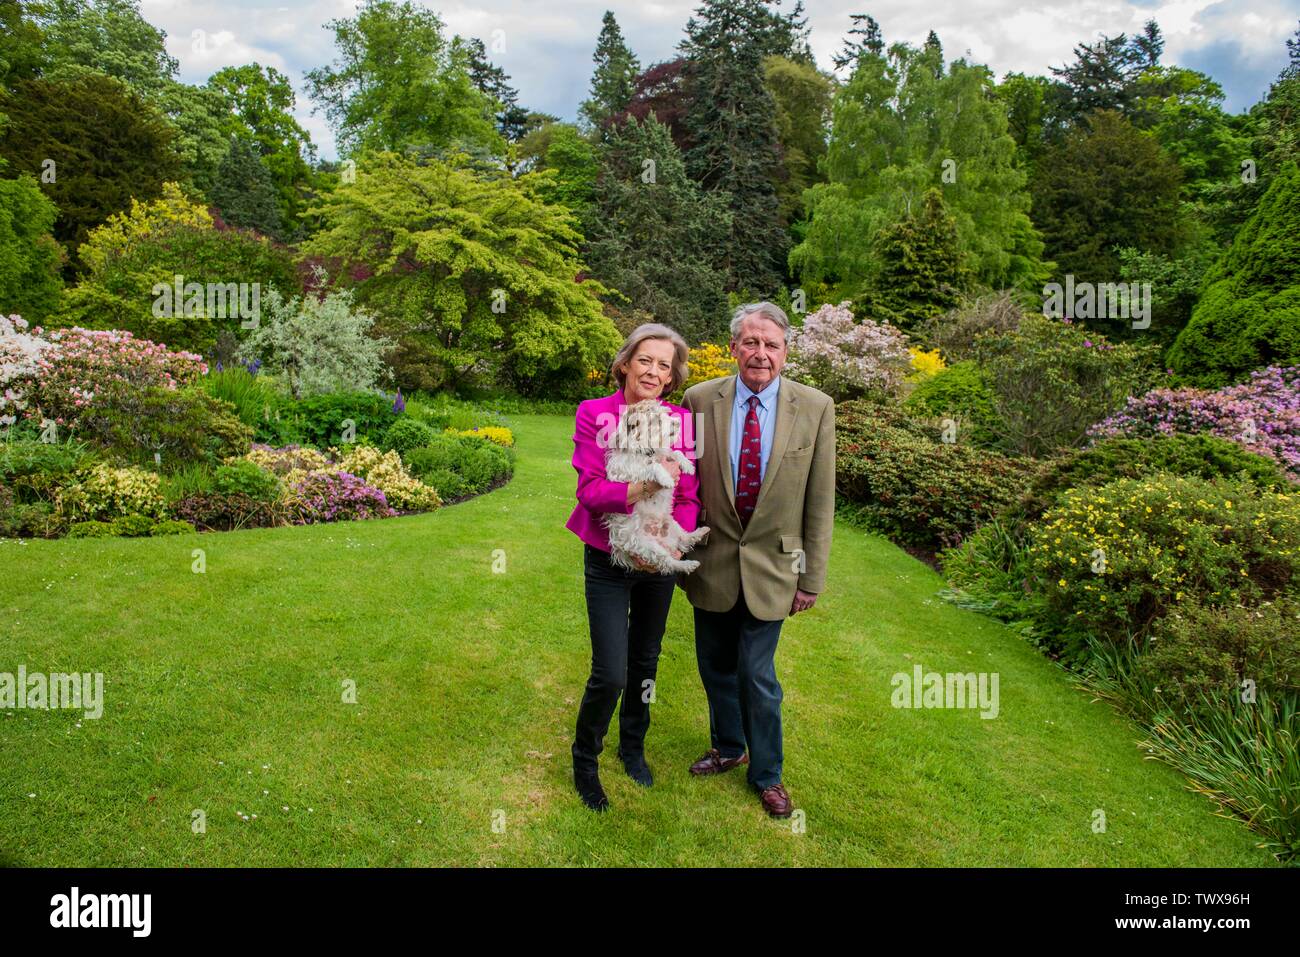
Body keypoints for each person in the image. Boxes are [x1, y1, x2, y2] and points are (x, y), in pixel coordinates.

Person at [678, 301, 835, 818]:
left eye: (770, 344)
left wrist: (810, 577)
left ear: (786, 352)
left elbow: (820, 500)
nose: (760, 353)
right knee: (715, 666)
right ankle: (728, 745)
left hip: (776, 568)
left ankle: (766, 774)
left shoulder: (815, 408)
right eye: (750, 342)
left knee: (757, 675)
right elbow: (683, 482)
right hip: (712, 561)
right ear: (733, 348)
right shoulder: (699, 400)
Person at [565, 323, 702, 812]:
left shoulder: (680, 423)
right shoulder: (594, 414)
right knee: (611, 672)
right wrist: (644, 488)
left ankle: (633, 746)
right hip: (607, 555)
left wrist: (668, 533)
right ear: (625, 363)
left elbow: (688, 494)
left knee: (645, 660)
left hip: (657, 557)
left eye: (664, 366)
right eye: (645, 360)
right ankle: (586, 759)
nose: (653, 371)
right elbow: (591, 491)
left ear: (671, 378)